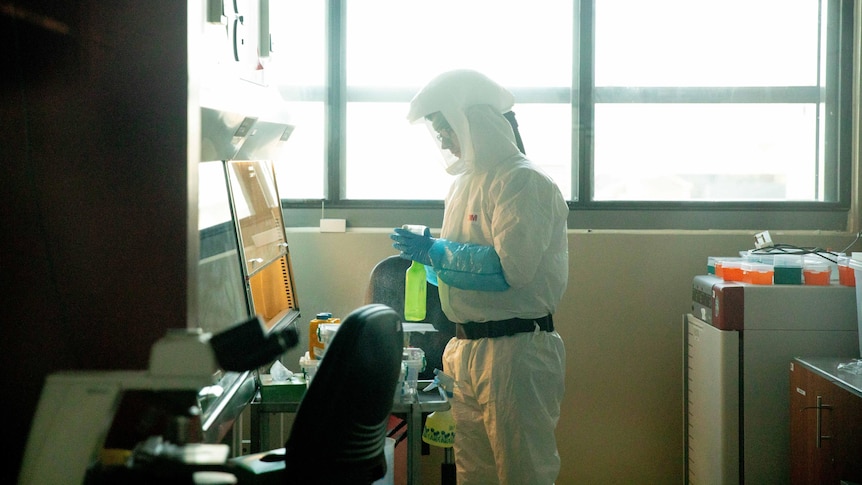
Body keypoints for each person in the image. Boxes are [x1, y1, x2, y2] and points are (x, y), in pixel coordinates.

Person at [390, 69, 569, 485]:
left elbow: (513, 270)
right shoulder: (463, 185)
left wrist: (437, 251)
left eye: (446, 128)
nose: (444, 140)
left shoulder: (523, 181)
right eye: (438, 132)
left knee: (523, 474)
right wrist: (431, 262)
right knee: (473, 474)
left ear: (473, 121)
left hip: (516, 351)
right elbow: (463, 272)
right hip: (466, 349)